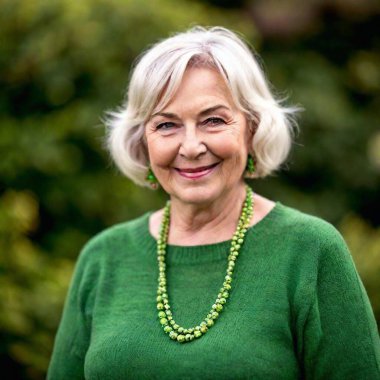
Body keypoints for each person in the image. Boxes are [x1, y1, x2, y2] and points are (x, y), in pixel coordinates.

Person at [47, 26, 380, 379]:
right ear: (142, 140)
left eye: (213, 120)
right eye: (166, 125)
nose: (190, 147)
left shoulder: (311, 251)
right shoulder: (102, 258)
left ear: (253, 129)